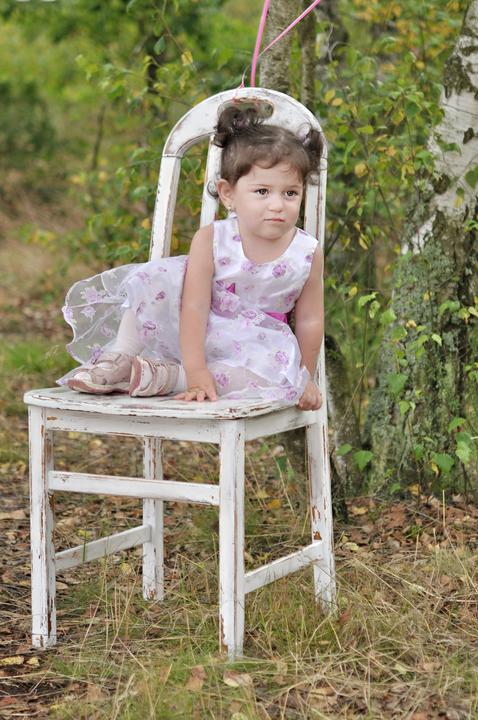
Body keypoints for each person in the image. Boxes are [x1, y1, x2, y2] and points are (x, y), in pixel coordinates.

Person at [59, 105, 324, 411]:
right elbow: (194, 306)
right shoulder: (213, 239)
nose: (277, 204)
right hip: (195, 335)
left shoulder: (306, 252)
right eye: (263, 191)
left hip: (256, 348)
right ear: (228, 194)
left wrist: (304, 377)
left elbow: (310, 319)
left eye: (290, 193)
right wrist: (197, 368)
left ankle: (169, 377)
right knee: (155, 277)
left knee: (269, 378)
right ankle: (120, 358)